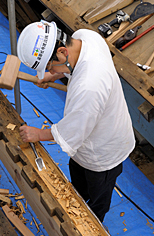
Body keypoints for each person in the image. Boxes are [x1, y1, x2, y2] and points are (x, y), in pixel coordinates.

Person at [17, 21, 135, 222]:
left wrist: (38, 134)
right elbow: (70, 65)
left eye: (49, 64)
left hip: (103, 152)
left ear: (62, 51)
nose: (49, 69)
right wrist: (53, 73)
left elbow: (72, 132)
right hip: (91, 133)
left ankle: (93, 225)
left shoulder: (89, 85)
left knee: (98, 198)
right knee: (79, 182)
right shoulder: (86, 38)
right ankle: (79, 201)